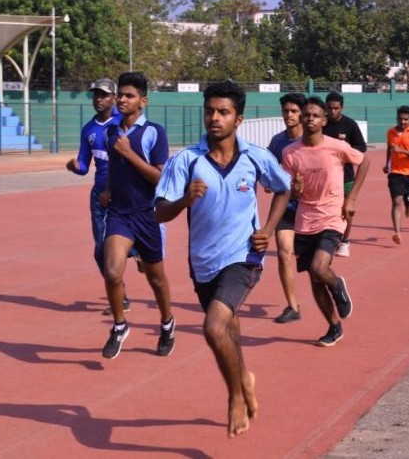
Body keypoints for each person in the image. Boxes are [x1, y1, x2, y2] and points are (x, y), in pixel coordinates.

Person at [154, 81, 291, 438]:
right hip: (203, 262)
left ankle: (234, 397)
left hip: (244, 257)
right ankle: (244, 378)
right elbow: (159, 214)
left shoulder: (255, 157)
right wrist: (185, 200)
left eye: (223, 112)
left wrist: (271, 228)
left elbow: (283, 186)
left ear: (239, 118)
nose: (215, 118)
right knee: (228, 329)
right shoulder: (187, 160)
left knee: (214, 327)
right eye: (210, 111)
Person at [282, 96, 370, 347]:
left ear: (323, 120)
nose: (310, 119)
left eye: (315, 116)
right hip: (305, 219)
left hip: (332, 215)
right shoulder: (290, 152)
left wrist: (351, 197)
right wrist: (295, 189)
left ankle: (338, 284)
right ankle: (334, 327)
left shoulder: (336, 147)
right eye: (306, 115)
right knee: (313, 277)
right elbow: (290, 190)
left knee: (320, 268)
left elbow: (365, 161)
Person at [100, 72, 175, 360]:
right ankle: (119, 326)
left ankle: (167, 323)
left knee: (156, 279)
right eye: (120, 94)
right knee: (112, 271)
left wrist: (130, 154)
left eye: (129, 95)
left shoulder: (154, 132)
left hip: (147, 216)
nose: (121, 99)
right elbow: (115, 170)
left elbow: (160, 178)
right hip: (119, 214)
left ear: (142, 101)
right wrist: (107, 189)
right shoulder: (111, 132)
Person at [66, 78, 141, 315]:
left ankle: (138, 252)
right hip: (99, 194)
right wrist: (74, 166)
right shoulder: (88, 130)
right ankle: (121, 297)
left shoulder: (123, 125)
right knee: (100, 250)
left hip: (122, 191)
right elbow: (83, 166)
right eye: (96, 95)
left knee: (118, 243)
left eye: (104, 95)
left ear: (114, 98)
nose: (99, 99)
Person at [267, 93, 306, 323]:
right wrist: (270, 183)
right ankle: (292, 306)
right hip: (287, 207)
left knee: (314, 264)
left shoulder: (312, 141)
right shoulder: (277, 142)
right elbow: (269, 169)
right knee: (284, 253)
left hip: (312, 209)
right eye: (285, 111)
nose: (288, 115)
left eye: (293, 111)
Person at [323, 91, 367, 257]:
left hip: (346, 177)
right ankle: (326, 241)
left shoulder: (350, 125)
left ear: (342, 108)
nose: (332, 112)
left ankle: (345, 241)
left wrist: (345, 152)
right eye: (330, 108)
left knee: (346, 210)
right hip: (323, 178)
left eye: (336, 108)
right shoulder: (321, 124)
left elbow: (361, 147)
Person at [383, 105, 409, 244]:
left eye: (405, 119)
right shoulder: (390, 132)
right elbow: (390, 149)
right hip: (395, 172)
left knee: (408, 200)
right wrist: (387, 163)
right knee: (396, 201)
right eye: (400, 119)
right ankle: (397, 232)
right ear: (397, 118)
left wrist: (402, 150)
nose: (402, 122)